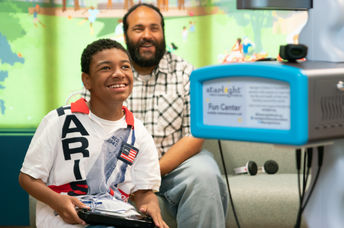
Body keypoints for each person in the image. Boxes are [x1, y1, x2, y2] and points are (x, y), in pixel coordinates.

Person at [18, 38, 168, 228]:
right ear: (86, 80)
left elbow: (144, 193)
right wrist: (58, 202)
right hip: (64, 220)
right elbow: (28, 178)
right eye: (106, 68)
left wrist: (151, 206)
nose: (118, 74)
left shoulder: (139, 132)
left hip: (115, 219)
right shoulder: (58, 120)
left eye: (125, 67)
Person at [122, 3, 229, 228]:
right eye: (139, 29)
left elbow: (195, 136)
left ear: (163, 33)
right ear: (126, 35)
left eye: (154, 28)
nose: (147, 35)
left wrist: (150, 175)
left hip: (174, 167)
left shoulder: (186, 73)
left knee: (205, 173)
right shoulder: (111, 74)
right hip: (122, 169)